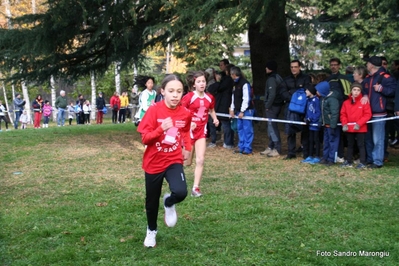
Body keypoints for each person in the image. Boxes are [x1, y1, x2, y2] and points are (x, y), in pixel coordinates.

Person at [137, 74, 192, 248]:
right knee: (151, 201)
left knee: (181, 192)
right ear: (163, 92)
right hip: (153, 162)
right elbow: (145, 139)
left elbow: (184, 132)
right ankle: (151, 231)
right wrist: (161, 129)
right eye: (171, 91)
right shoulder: (154, 110)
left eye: (179, 91)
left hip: (173, 159)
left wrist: (188, 148)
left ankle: (169, 203)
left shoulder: (185, 112)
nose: (175, 95)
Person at [181, 71, 219, 197]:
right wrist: (189, 122)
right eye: (199, 82)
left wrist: (215, 118)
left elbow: (211, 109)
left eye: (203, 81)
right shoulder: (188, 97)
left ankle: (195, 188)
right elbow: (180, 111)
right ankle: (174, 177)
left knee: (201, 160)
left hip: (201, 132)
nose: (202, 84)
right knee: (187, 162)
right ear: (194, 84)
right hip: (188, 133)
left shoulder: (209, 97)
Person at [361, 56, 397, 168]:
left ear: (371, 65)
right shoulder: (367, 78)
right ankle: (370, 159)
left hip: (379, 113)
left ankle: (377, 161)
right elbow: (363, 90)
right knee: (368, 138)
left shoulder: (386, 77)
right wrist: (365, 95)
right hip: (367, 113)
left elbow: (394, 91)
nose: (366, 65)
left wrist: (382, 89)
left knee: (378, 138)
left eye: (367, 63)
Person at [280, 60, 312, 159]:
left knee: (305, 130)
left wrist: (292, 93)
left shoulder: (306, 78)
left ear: (299, 67)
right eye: (292, 67)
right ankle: (291, 153)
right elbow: (283, 92)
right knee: (290, 130)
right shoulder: (286, 79)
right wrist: (294, 97)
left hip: (303, 107)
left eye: (295, 67)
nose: (293, 69)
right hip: (290, 106)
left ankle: (305, 152)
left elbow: (306, 91)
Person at [340, 82, 372, 169]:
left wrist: (359, 123)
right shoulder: (346, 103)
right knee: (350, 145)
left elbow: (367, 114)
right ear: (351, 91)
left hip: (360, 128)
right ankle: (349, 161)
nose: (356, 92)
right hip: (349, 128)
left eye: (358, 90)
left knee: (361, 145)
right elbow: (343, 114)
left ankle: (362, 162)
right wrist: (344, 124)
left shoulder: (364, 102)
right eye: (354, 90)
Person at [261, 60, 284, 157]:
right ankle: (270, 146)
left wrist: (267, 105)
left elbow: (272, 94)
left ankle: (276, 148)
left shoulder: (271, 79)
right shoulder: (278, 77)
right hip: (277, 104)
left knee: (272, 126)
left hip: (273, 106)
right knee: (270, 126)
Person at [229, 66, 254, 155]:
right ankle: (241, 146)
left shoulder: (245, 83)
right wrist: (232, 108)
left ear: (234, 74)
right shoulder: (235, 84)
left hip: (246, 111)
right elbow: (233, 97)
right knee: (240, 129)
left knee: (247, 129)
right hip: (238, 110)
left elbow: (246, 98)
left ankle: (247, 148)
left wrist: (242, 111)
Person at [316, 81, 341, 166]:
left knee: (333, 142)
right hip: (325, 124)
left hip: (331, 125)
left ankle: (331, 159)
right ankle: (325, 157)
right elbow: (322, 112)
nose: (317, 92)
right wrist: (320, 121)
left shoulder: (332, 99)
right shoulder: (323, 98)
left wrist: (333, 125)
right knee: (326, 141)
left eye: (318, 90)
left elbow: (335, 113)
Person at [216, 63, 235, 149]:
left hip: (225, 103)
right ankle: (229, 141)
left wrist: (218, 81)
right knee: (227, 124)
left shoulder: (227, 80)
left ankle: (228, 142)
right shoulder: (232, 81)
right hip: (228, 102)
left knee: (226, 124)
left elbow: (220, 88)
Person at [301, 84, 322, 164]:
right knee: (310, 140)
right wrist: (306, 118)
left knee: (316, 140)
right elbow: (307, 111)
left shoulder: (316, 100)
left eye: (307, 90)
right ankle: (310, 156)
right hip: (310, 125)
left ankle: (317, 156)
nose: (305, 91)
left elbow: (317, 112)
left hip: (315, 125)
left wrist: (312, 119)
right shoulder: (308, 100)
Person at [205, 67, 219, 148]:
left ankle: (213, 140)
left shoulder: (213, 83)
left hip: (212, 105)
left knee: (212, 123)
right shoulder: (205, 83)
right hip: (206, 105)